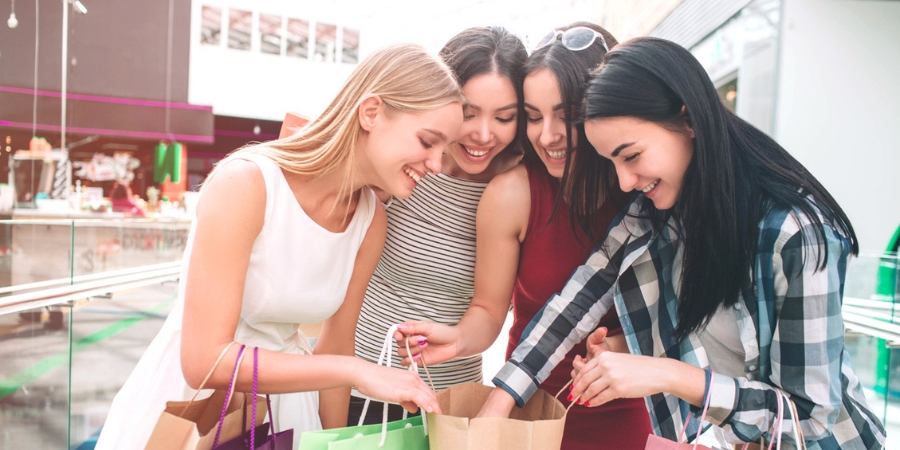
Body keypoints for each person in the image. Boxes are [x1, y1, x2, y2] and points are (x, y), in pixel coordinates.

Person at [478, 37, 887, 449]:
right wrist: (499, 403)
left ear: (687, 120)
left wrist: (669, 374)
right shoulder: (660, 210)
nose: (624, 182)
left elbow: (810, 419)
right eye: (612, 162)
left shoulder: (794, 233)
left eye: (631, 156)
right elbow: (575, 304)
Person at [94, 43, 464, 450]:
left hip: (289, 409)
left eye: (444, 149)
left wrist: (330, 441)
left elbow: (337, 342)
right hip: (199, 410)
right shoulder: (246, 184)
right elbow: (205, 361)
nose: (437, 164)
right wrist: (354, 371)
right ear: (371, 112)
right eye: (429, 141)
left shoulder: (370, 220)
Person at [393, 23, 652, 449]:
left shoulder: (642, 187)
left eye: (565, 116)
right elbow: (489, 308)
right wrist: (459, 339)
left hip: (624, 408)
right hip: (525, 408)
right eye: (532, 117)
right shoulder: (513, 191)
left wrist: (629, 343)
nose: (547, 135)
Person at [348, 26, 527, 425]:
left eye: (504, 118)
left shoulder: (516, 189)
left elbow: (489, 308)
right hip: (358, 381)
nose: (483, 134)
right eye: (468, 112)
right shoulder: (407, 157)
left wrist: (457, 340)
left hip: (445, 403)